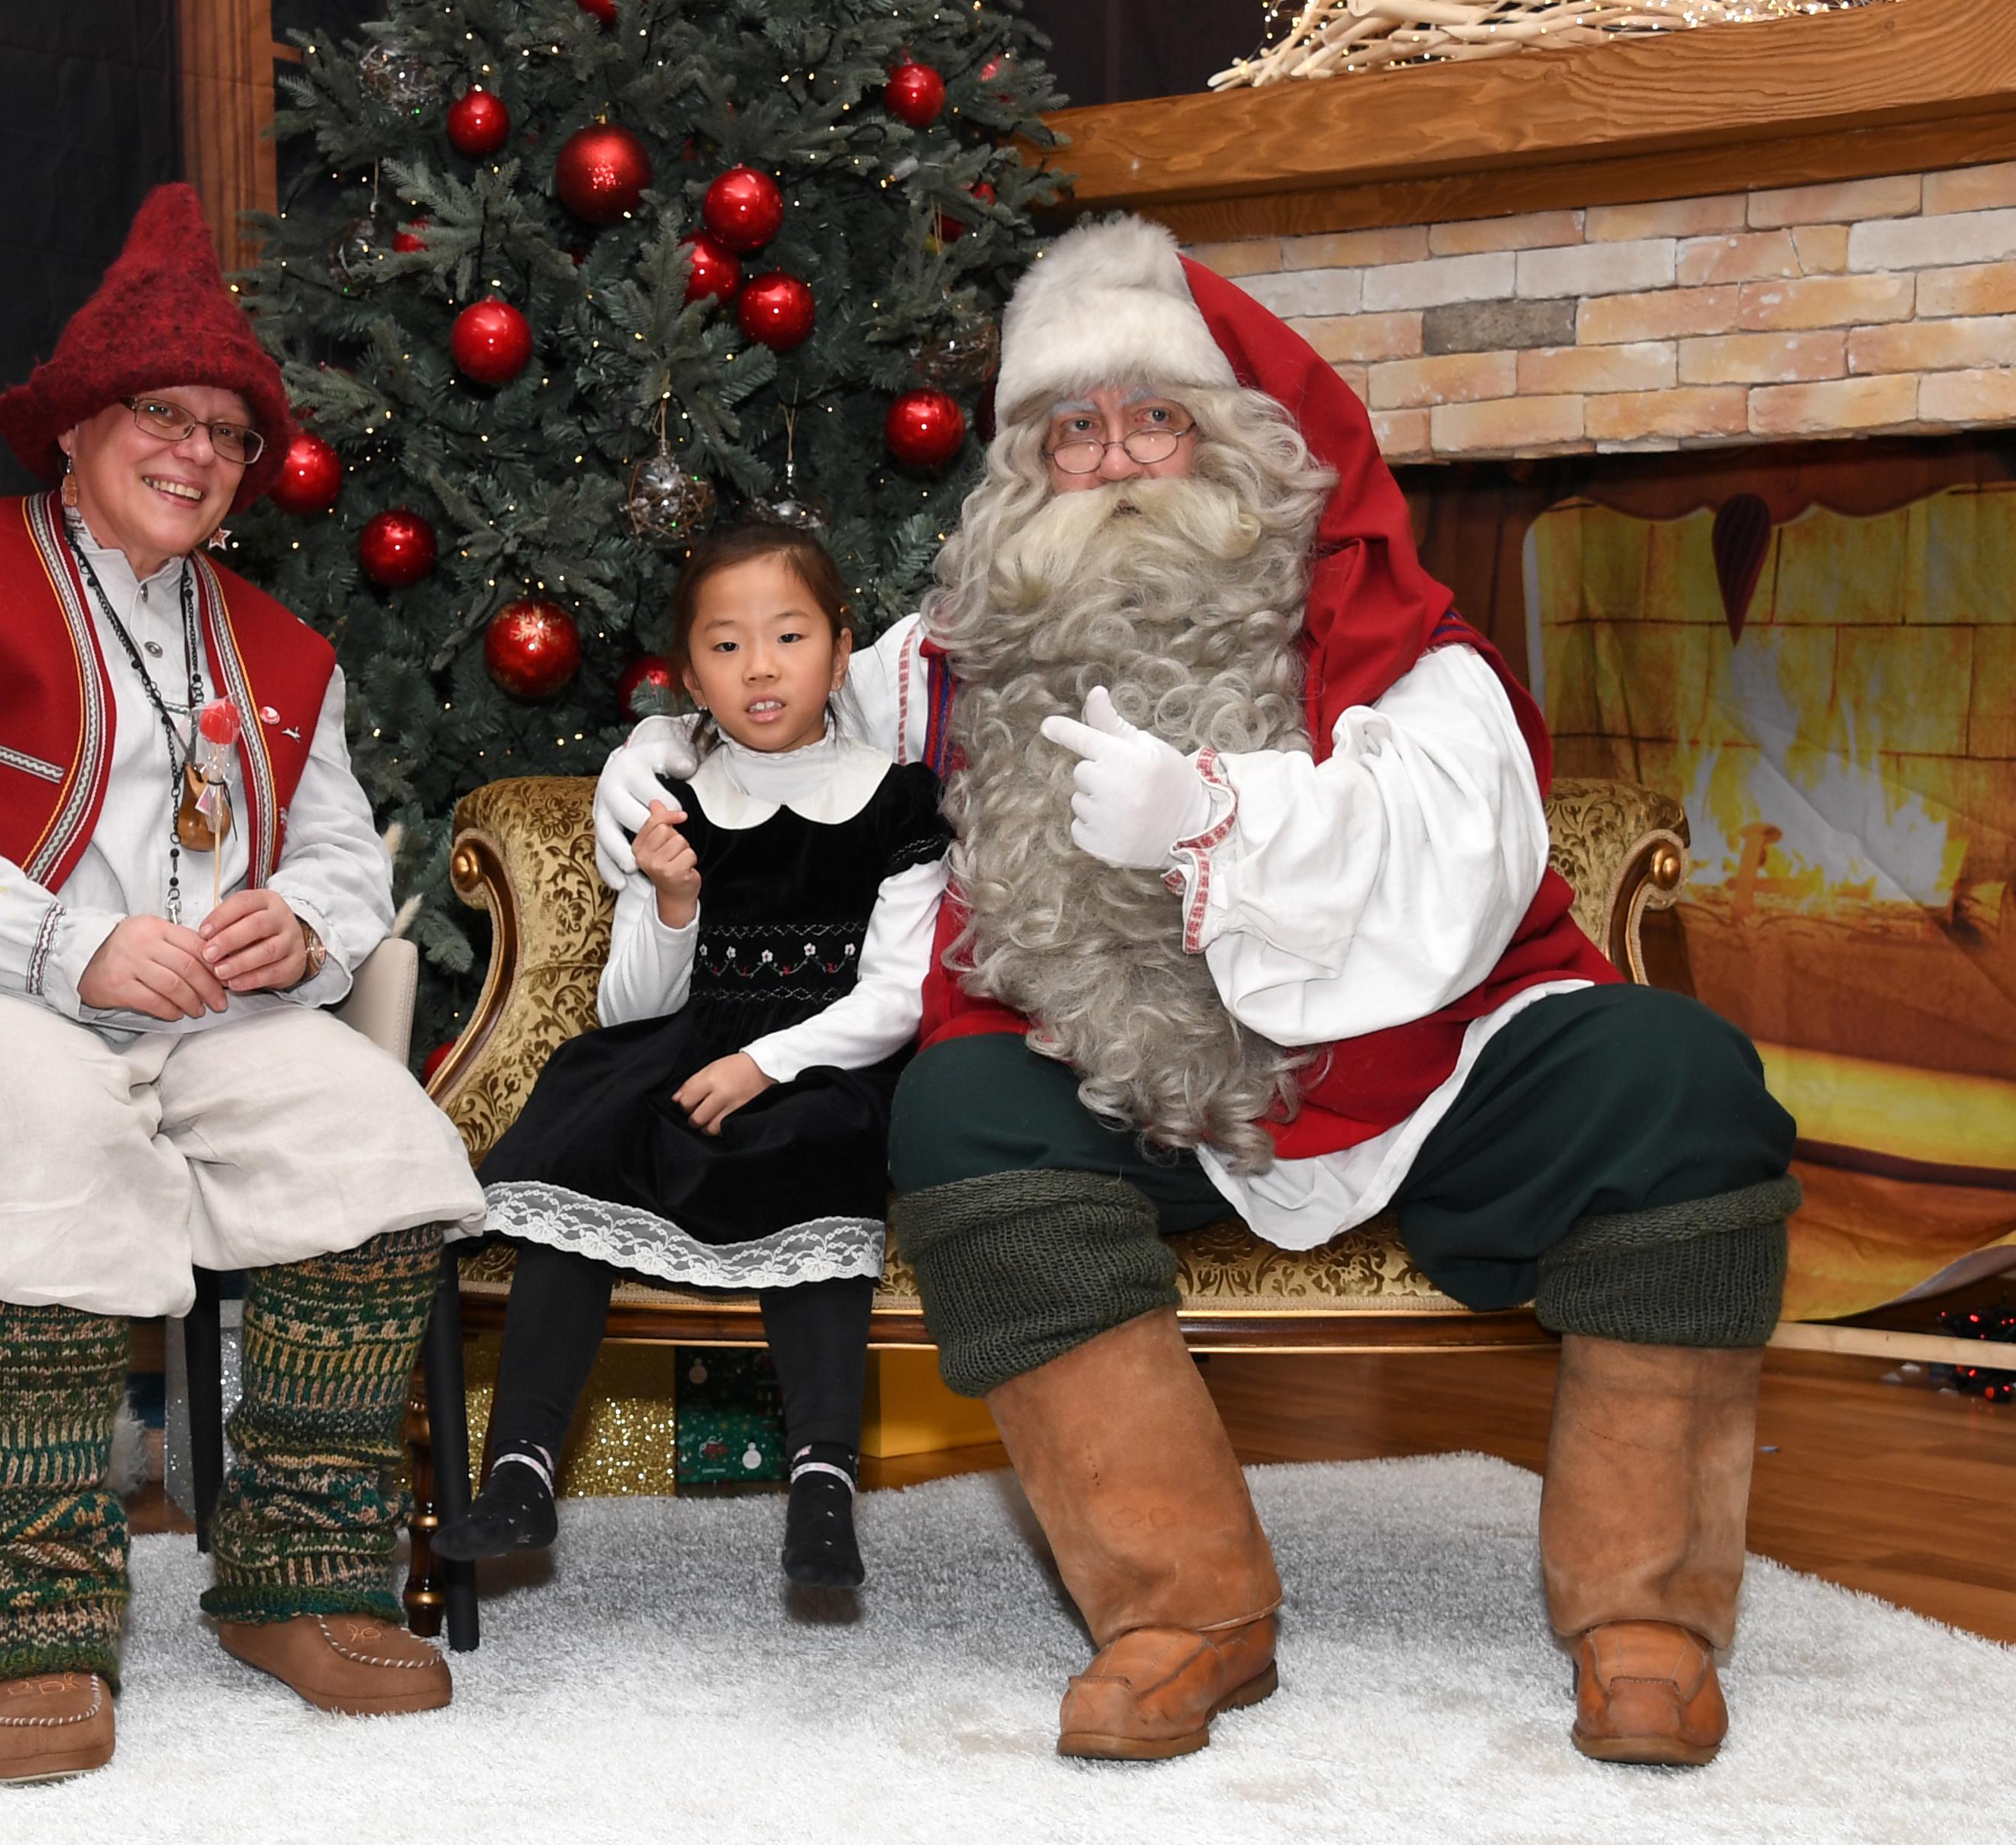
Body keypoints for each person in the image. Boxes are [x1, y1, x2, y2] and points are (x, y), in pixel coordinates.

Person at [595, 215, 1798, 1768]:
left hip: (1406, 1072)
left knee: (1681, 1082)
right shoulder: (954, 654)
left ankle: (1648, 1616)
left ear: (1238, 445)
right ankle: (1182, 1608)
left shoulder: (1401, 650)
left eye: (1154, 417)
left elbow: (1460, 866)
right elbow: (768, 690)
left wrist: (1216, 821)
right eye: (1072, 431)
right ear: (1028, 471)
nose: (1114, 461)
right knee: (961, 1106)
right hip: (1119, 1082)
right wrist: (653, 757)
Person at [0, 184, 485, 1784]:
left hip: (207, 1022)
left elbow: (344, 856)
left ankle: (296, 1581)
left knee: (374, 1145)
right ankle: (28, 1614)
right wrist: (63, 943)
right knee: (47, 1139)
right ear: (83, 426)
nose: (196, 452)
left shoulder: (283, 646)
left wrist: (298, 927)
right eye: (162, 414)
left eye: (229, 435)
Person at [444, 521, 951, 1589]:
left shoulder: (900, 802)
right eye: (725, 646)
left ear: (839, 649)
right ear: (689, 677)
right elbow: (630, 1004)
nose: (759, 668)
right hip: (682, 1048)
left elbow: (898, 995)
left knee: (822, 1155)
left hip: (822, 1059)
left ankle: (822, 1481)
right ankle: (522, 1469)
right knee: (584, 1155)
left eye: (788, 636)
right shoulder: (674, 805)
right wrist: (672, 900)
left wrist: (770, 1063)